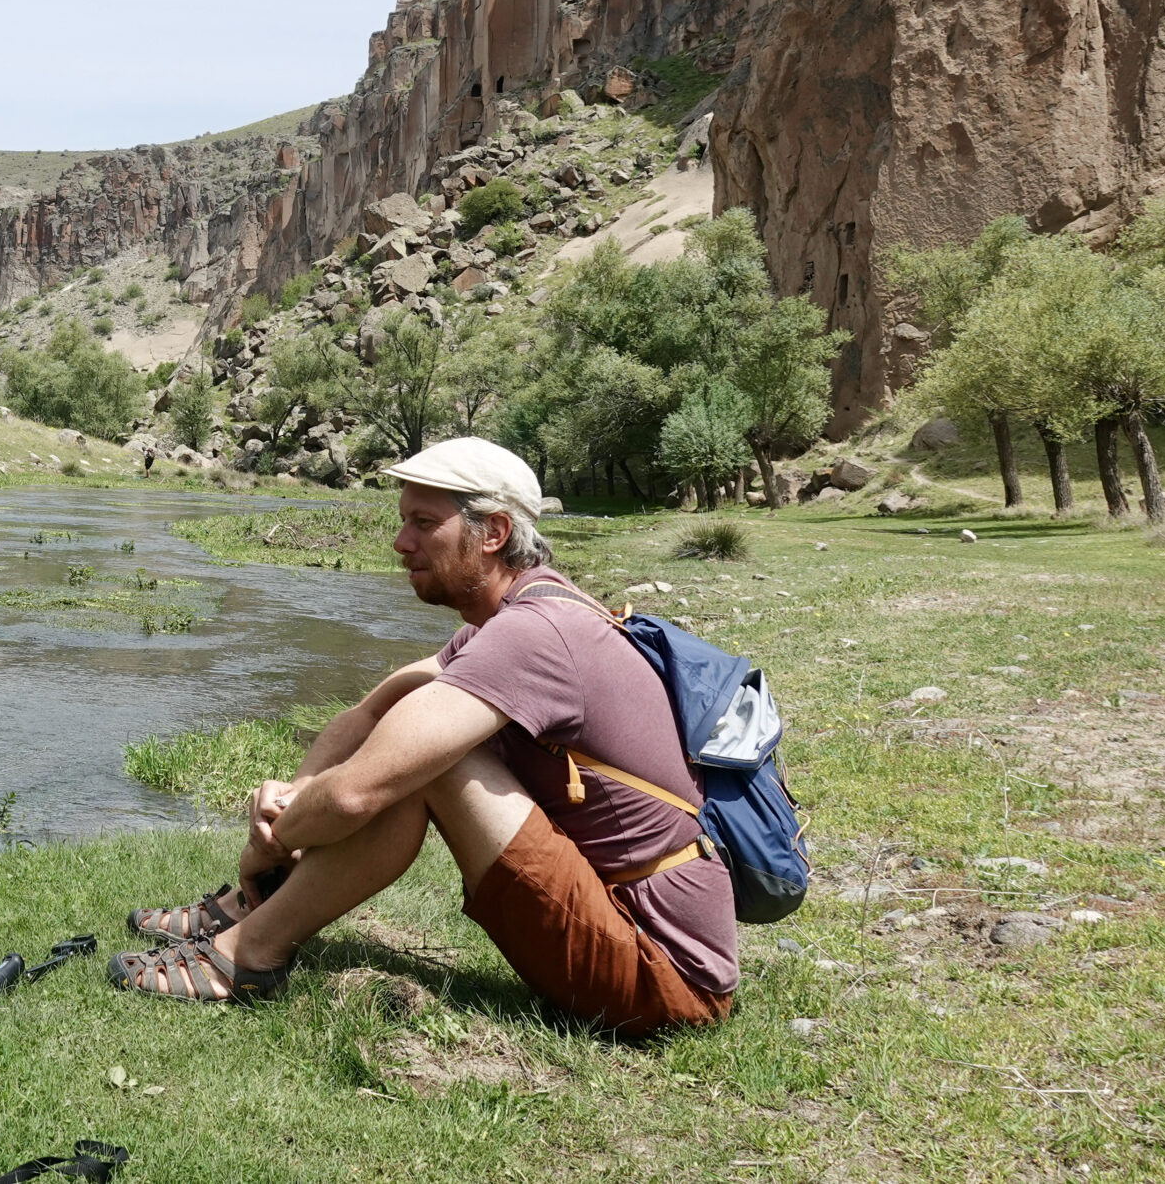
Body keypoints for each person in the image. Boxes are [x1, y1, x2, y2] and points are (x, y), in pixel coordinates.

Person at [108, 437, 735, 1036]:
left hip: (665, 977)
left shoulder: (534, 633)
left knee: (422, 764)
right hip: (623, 925)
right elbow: (371, 710)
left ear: (493, 533)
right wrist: (297, 791)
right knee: (405, 736)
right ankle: (256, 907)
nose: (399, 542)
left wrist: (272, 841)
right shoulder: (520, 614)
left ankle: (249, 952)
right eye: (403, 520)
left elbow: (359, 792)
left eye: (423, 523)